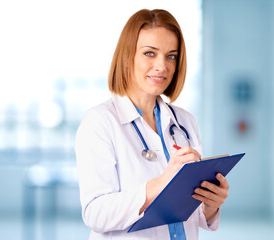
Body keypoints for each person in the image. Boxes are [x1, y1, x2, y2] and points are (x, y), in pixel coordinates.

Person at [75, 8, 229, 240]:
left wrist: (210, 204)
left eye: (171, 56)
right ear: (128, 56)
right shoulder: (99, 121)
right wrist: (160, 184)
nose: (162, 66)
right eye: (150, 53)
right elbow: (95, 213)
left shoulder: (185, 122)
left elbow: (191, 212)